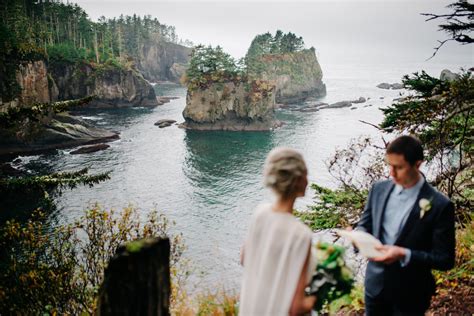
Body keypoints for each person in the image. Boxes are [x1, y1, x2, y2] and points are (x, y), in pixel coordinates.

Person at [356, 135, 455, 315]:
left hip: (412, 293)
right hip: (374, 287)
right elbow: (364, 225)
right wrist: (358, 237)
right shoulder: (378, 189)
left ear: (418, 164)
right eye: (389, 165)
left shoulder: (441, 205)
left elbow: (445, 259)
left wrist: (404, 254)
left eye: (399, 167)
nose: (391, 173)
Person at [239, 147, 317, 316]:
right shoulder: (300, 234)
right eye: (306, 174)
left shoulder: (260, 213)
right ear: (297, 179)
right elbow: (296, 308)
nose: (308, 181)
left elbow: (244, 258)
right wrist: (320, 294)